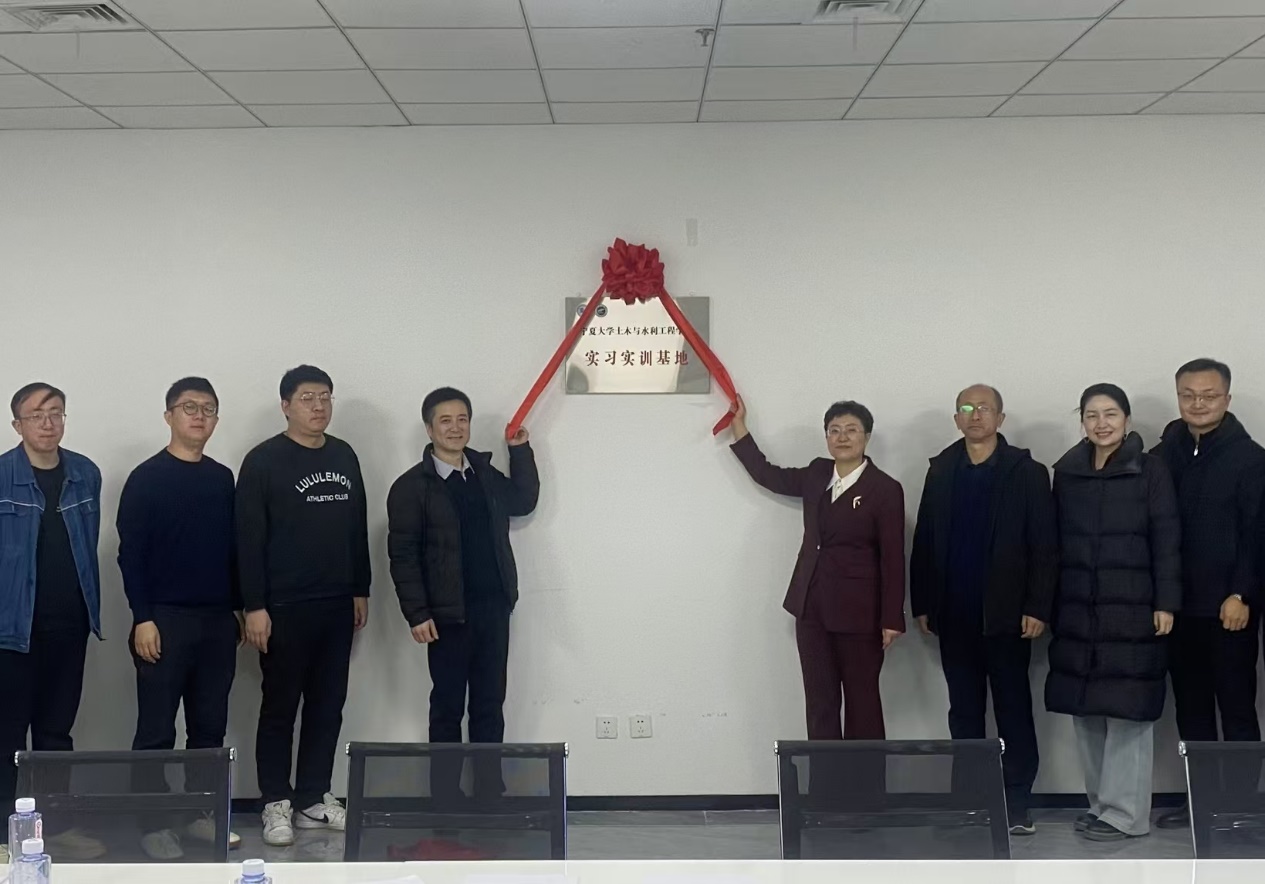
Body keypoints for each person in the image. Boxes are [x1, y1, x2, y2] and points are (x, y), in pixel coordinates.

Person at [910, 384, 1057, 836]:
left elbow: (1045, 545)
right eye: (966, 408)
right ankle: (969, 798)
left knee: (1013, 708)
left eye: (984, 408)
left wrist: (1037, 605)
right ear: (957, 418)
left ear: (1000, 418)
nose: (975, 415)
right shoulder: (941, 470)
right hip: (954, 614)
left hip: (1007, 616)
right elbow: (924, 540)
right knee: (964, 711)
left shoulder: (1026, 472)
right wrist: (923, 602)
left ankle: (1017, 801)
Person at [236, 366, 371, 847]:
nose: (318, 406)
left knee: (327, 704)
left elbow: (357, 525)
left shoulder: (344, 454)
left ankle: (313, 796)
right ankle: (275, 801)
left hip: (336, 603)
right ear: (286, 406)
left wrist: (360, 588)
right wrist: (254, 605)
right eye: (308, 397)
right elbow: (248, 539)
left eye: (326, 396)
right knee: (279, 706)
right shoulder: (263, 461)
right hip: (283, 606)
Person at [386, 387, 539, 801]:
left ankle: (490, 792)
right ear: (429, 428)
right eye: (445, 421)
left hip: (493, 608)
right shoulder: (411, 487)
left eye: (462, 419)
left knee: (490, 704)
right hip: (446, 616)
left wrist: (519, 451)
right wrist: (417, 613)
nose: (455, 428)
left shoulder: (483, 474)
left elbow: (523, 500)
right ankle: (444, 797)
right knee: (447, 707)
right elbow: (402, 556)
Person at [1045, 383, 1180, 842]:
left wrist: (1166, 602)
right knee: (1086, 711)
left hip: (1134, 608)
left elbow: (1167, 538)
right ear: (1081, 421)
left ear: (1127, 419)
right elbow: (1054, 544)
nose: (1101, 424)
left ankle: (1127, 816)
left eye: (1110, 414)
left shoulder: (1151, 469)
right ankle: (1100, 806)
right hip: (1079, 609)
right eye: (1091, 415)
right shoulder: (1067, 472)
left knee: (1128, 712)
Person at [728, 396, 905, 742]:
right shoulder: (817, 474)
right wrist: (739, 428)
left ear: (867, 437)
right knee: (820, 702)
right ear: (826, 437)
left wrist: (891, 618)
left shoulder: (885, 489)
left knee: (863, 703)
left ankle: (868, 778)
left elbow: (893, 557)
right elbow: (768, 475)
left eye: (851, 430)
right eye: (834, 430)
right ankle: (825, 777)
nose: (842, 437)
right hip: (811, 608)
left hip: (861, 613)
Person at [116, 377, 241, 859]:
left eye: (208, 408)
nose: (199, 416)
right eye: (189, 407)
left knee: (209, 729)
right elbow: (131, 555)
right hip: (163, 620)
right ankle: (151, 823)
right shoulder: (147, 477)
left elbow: (233, 550)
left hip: (217, 621)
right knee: (156, 731)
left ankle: (198, 815)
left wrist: (237, 608)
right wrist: (142, 618)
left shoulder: (222, 478)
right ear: (169, 416)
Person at [1151, 359, 1264, 830]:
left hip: (1229, 609)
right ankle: (1200, 802)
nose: (1198, 403)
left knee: (1236, 708)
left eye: (1209, 395)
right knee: (1191, 711)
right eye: (1188, 395)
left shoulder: (1251, 458)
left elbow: (1257, 535)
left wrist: (1242, 593)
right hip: (1178, 607)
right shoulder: (1163, 454)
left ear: (1227, 399)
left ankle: (1240, 808)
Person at [0, 383, 106, 861]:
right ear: (17, 424)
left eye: (56, 413)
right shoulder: (3, 475)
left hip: (68, 625)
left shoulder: (85, 473)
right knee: (6, 734)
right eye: (36, 415)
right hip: (11, 630)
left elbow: (86, 544)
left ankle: (53, 829)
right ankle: (4, 835)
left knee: (56, 733)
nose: (48, 423)